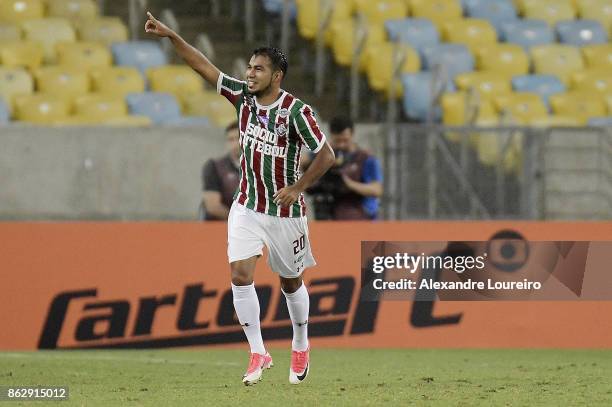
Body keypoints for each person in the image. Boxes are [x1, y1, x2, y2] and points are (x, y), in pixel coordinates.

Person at [145, 12, 335, 386]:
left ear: (276, 76)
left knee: (291, 282)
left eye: (258, 69)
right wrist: (171, 36)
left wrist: (298, 188)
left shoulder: (297, 112)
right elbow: (204, 65)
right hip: (247, 205)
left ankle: (300, 342)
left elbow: (326, 155)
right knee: (239, 273)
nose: (250, 74)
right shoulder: (242, 98)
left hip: (285, 212)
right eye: (249, 67)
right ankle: (258, 351)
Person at [306, 116, 383, 220]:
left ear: (352, 134)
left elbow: (376, 190)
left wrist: (346, 183)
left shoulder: (365, 158)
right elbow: (302, 162)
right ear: (331, 135)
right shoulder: (324, 154)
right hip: (327, 211)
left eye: (345, 140)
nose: (341, 145)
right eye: (337, 141)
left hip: (358, 215)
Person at [201, 121, 241, 220]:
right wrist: (237, 222)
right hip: (220, 225)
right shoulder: (214, 166)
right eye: (231, 139)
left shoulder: (260, 166)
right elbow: (213, 206)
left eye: (239, 138)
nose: (235, 144)